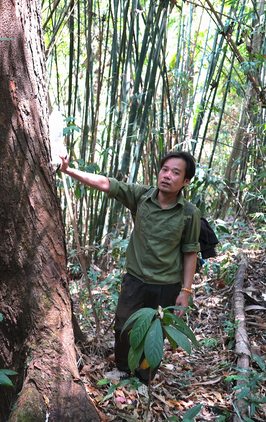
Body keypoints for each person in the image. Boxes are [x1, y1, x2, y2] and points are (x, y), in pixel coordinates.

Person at [59, 151, 201, 383]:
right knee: (124, 325)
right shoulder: (142, 196)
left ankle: (144, 379)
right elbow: (107, 184)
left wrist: (185, 292)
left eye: (175, 173)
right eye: (164, 169)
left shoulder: (189, 213)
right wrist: (69, 171)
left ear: (186, 181)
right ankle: (123, 368)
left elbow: (190, 252)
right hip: (135, 279)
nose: (167, 175)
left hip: (167, 285)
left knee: (154, 335)